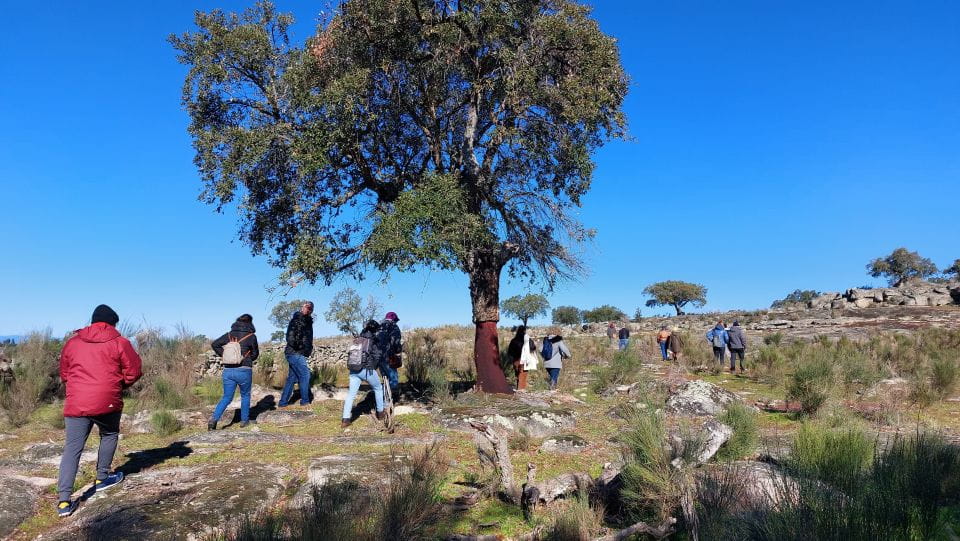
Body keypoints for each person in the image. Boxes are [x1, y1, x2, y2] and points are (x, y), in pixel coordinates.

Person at [56, 304, 142, 518]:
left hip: (76, 402)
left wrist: (77, 387)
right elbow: (134, 371)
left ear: (92, 321)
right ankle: (102, 478)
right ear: (113, 323)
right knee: (109, 434)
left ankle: (64, 502)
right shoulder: (120, 342)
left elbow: (65, 373)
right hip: (107, 400)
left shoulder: (73, 342)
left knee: (72, 448)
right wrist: (119, 385)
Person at [208, 314, 259, 430]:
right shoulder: (251, 336)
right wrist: (247, 358)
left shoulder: (229, 334)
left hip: (228, 370)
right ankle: (244, 421)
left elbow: (214, 344)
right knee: (245, 395)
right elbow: (255, 354)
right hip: (244, 370)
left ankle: (213, 420)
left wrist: (225, 356)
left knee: (226, 397)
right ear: (250, 323)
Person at [342, 320, 385, 428]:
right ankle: (380, 413)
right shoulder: (373, 340)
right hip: (366, 370)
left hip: (353, 370)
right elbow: (377, 356)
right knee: (378, 388)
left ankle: (345, 419)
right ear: (374, 329)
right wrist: (373, 367)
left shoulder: (358, 339)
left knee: (351, 394)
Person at [279, 301, 314, 407]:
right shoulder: (296, 320)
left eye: (310, 308)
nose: (307, 309)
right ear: (302, 308)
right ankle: (305, 401)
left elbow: (307, 338)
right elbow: (290, 338)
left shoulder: (308, 322)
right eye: (306, 307)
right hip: (294, 352)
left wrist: (307, 349)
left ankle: (283, 403)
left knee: (292, 378)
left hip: (299, 353)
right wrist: (300, 347)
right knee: (305, 374)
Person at [377, 311, 403, 399]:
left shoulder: (379, 327)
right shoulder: (393, 327)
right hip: (388, 356)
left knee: (385, 379)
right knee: (393, 379)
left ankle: (383, 400)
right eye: (396, 320)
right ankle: (386, 398)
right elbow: (395, 342)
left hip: (378, 357)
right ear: (394, 319)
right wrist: (398, 350)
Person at [507, 326, 538, 391]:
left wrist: (511, 358)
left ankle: (518, 388)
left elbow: (510, 351)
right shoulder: (528, 339)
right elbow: (533, 348)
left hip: (516, 359)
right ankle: (521, 390)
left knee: (517, 375)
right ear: (524, 331)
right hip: (525, 359)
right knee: (523, 375)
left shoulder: (514, 340)